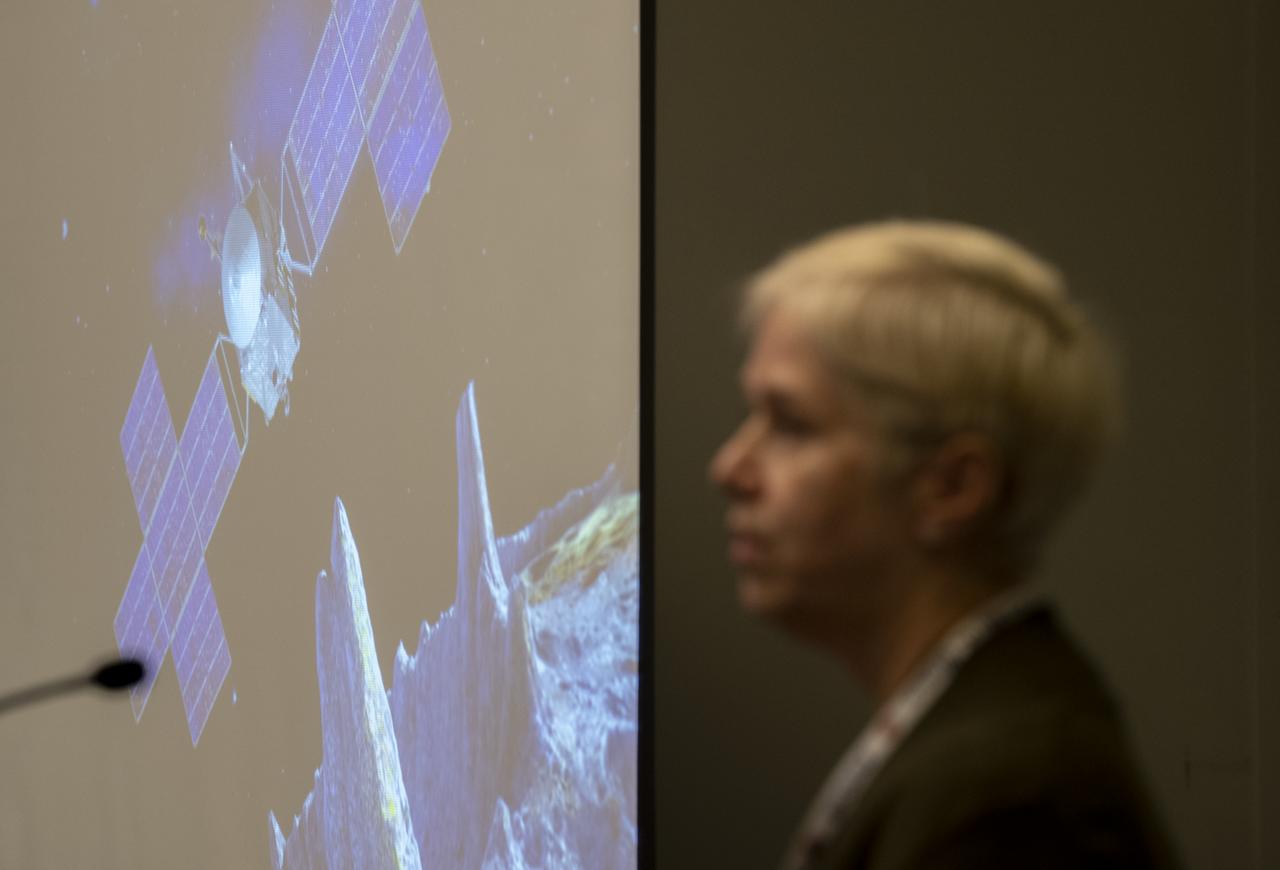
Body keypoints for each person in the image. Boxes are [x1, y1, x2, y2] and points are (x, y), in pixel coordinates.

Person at [709, 221, 1182, 870]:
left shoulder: (1009, 800)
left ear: (953, 488)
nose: (731, 468)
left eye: (791, 424)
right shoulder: (981, 744)